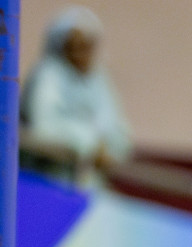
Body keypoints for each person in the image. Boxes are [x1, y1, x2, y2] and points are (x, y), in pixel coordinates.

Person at [20, 7, 132, 186]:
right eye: (75, 47)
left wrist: (112, 149)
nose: (82, 54)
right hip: (47, 178)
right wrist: (89, 145)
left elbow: (117, 127)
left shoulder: (98, 79)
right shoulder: (48, 75)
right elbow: (44, 127)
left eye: (87, 47)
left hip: (88, 182)